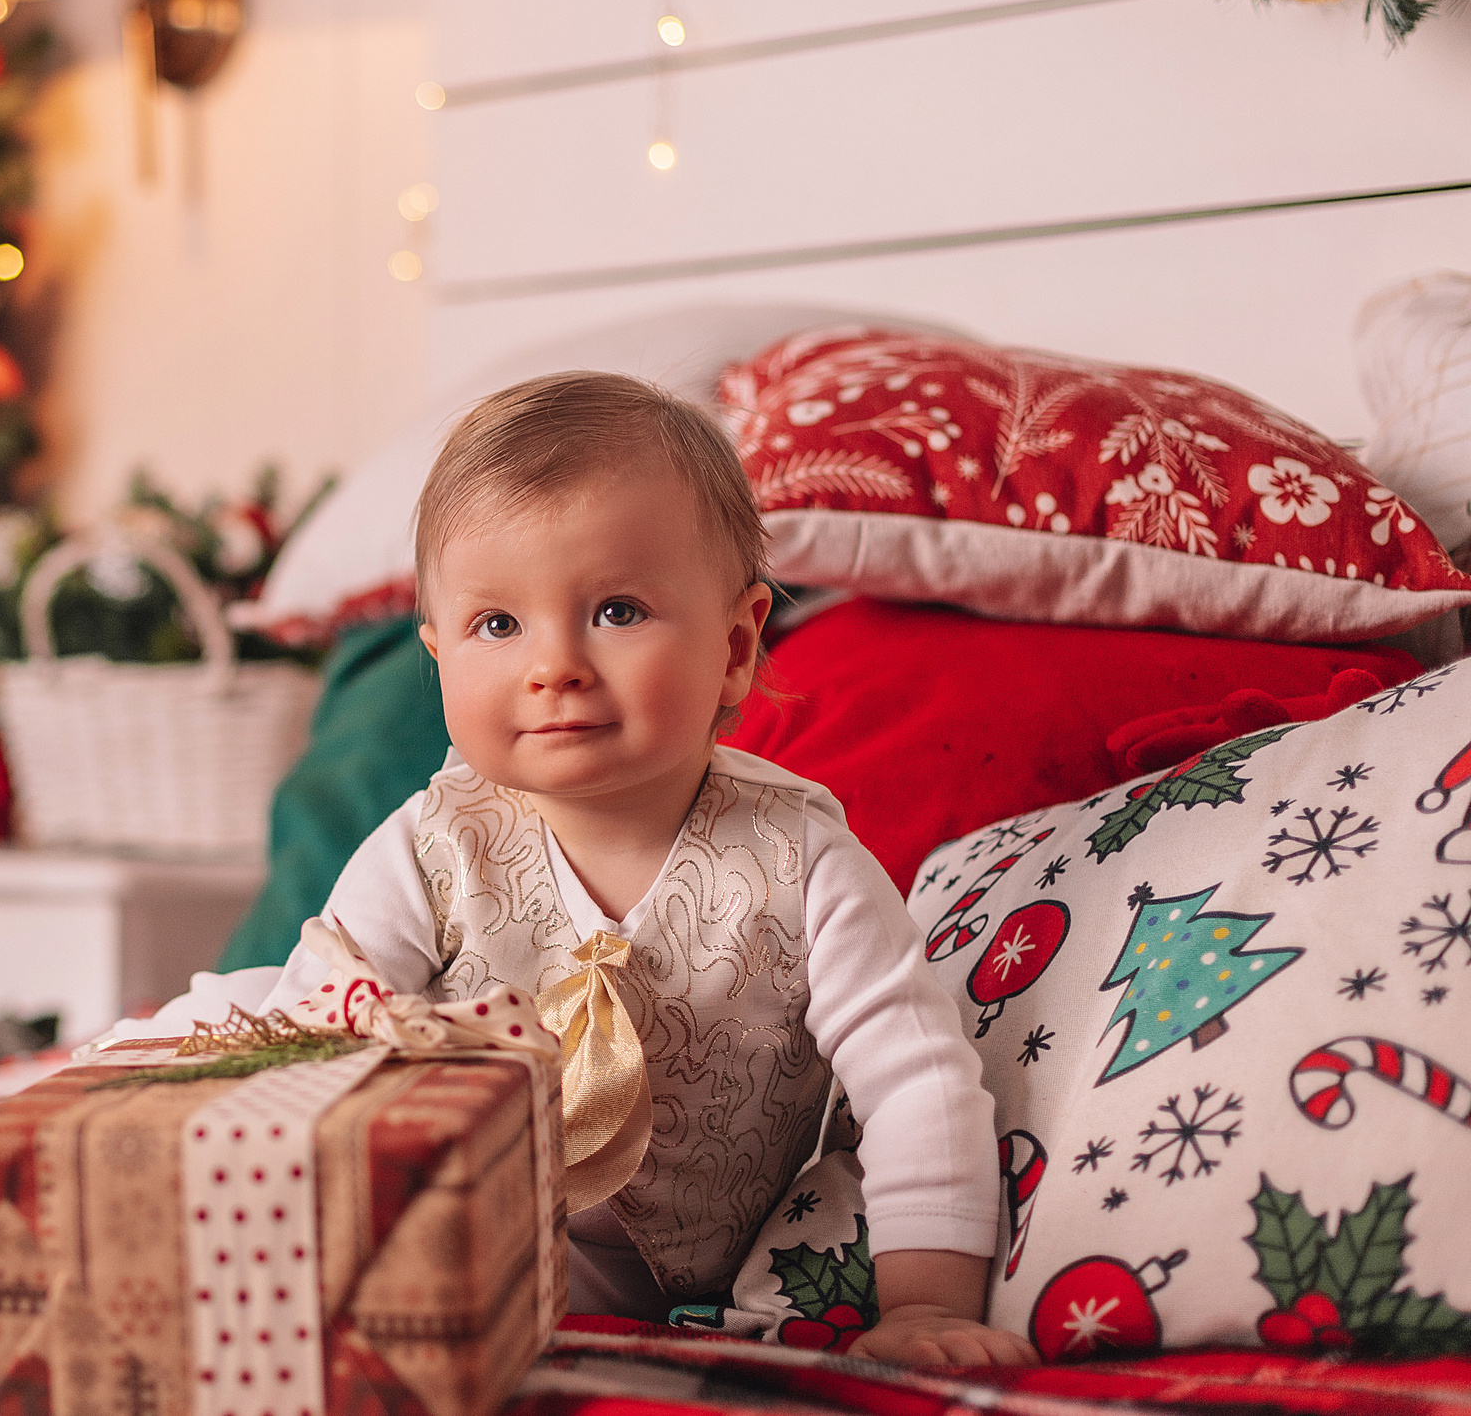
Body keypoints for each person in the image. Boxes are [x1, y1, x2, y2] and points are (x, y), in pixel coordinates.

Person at [254, 369, 1036, 1367]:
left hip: (741, 1256)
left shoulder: (802, 862)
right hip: (493, 1240)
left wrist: (927, 1304)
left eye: (617, 611)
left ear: (735, 645)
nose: (554, 666)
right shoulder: (430, 849)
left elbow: (918, 1080)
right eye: (498, 625)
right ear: (438, 654)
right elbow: (314, 1046)